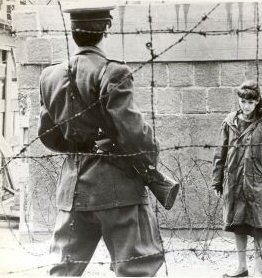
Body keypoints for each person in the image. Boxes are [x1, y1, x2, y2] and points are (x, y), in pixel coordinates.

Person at [38, 2, 164, 276]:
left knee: (63, 271)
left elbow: (47, 135)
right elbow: (134, 134)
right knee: (136, 269)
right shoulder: (113, 72)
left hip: (72, 190)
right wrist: (150, 161)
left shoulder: (49, 75)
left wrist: (79, 146)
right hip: (117, 189)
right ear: (107, 28)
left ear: (72, 31)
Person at [211, 80, 262, 277]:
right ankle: (242, 267)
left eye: (250, 102)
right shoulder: (229, 122)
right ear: (238, 101)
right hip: (235, 183)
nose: (246, 106)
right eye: (243, 101)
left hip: (257, 185)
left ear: (258, 102)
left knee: (259, 227)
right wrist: (217, 180)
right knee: (239, 225)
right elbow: (220, 153)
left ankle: (258, 271)